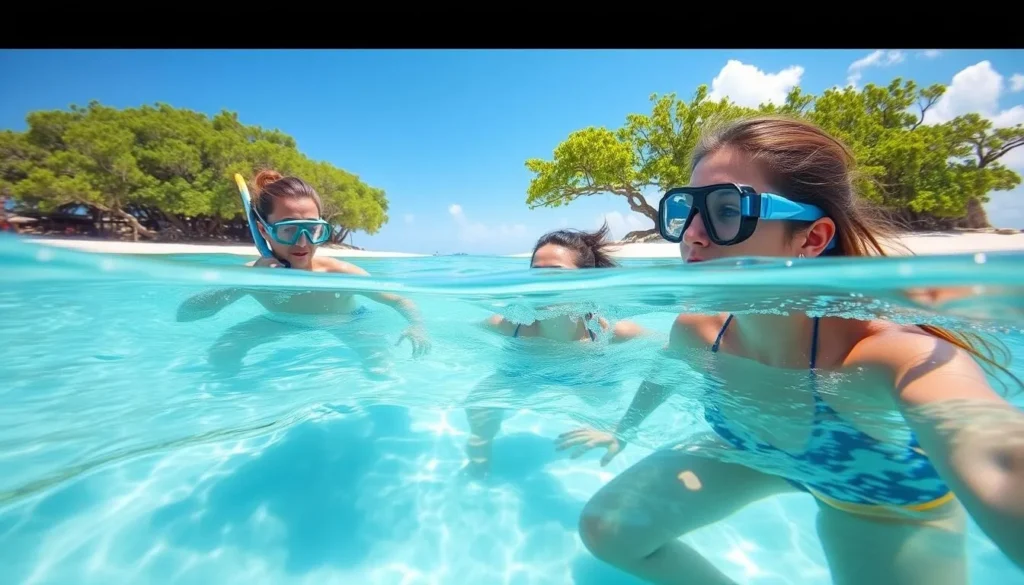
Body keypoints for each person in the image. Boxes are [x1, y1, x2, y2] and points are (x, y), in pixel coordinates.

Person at [559, 116, 1024, 584]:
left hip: (874, 500)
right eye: (686, 209)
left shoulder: (885, 356)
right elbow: (662, 373)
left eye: (727, 210)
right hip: (751, 450)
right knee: (607, 529)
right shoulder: (698, 330)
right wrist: (621, 430)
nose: (691, 236)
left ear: (812, 237)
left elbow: (1000, 460)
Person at [176, 169, 430, 377]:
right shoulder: (253, 277)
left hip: (346, 322)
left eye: (313, 230)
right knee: (223, 351)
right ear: (264, 231)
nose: (303, 243)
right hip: (281, 321)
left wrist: (417, 327)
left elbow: (400, 299)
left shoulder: (340, 274)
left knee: (380, 371)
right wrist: (246, 283)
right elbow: (186, 314)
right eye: (289, 230)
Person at [462, 224, 651, 478]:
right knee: (477, 405)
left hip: (587, 379)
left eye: (557, 275)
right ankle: (479, 459)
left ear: (587, 283)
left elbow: (674, 352)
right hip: (523, 374)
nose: (542, 287)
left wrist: (622, 428)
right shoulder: (511, 324)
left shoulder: (609, 331)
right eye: (536, 276)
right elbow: (461, 334)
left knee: (609, 412)